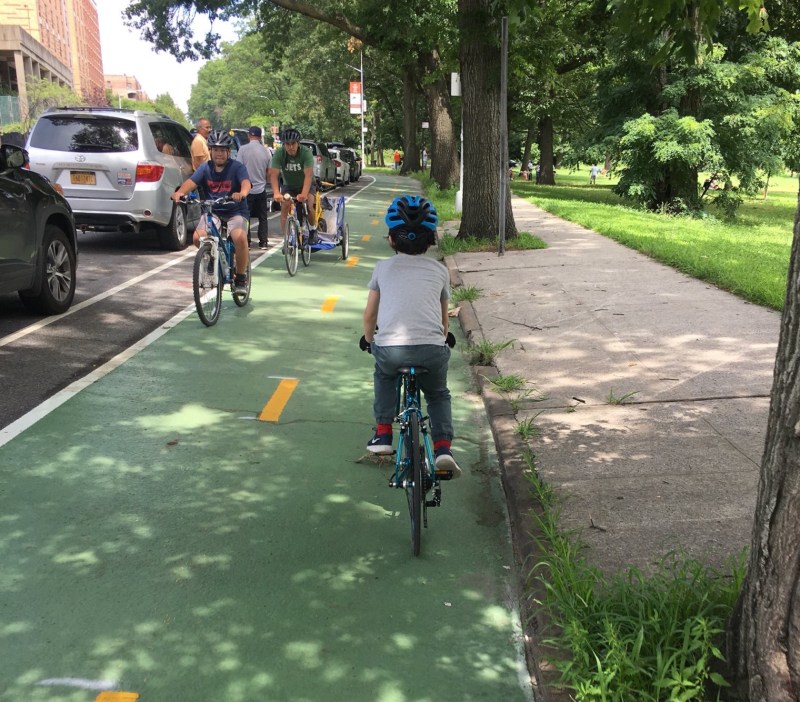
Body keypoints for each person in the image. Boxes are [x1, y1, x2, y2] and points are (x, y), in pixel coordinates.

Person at [360, 195, 462, 478]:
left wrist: (369, 340)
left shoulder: (382, 268)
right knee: (438, 394)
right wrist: (444, 337)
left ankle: (383, 434)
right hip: (432, 350)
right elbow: (443, 320)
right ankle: (443, 448)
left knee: (384, 375)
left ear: (391, 239)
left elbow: (370, 315)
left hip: (391, 350)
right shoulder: (440, 271)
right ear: (430, 241)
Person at [172, 130, 251, 294]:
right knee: (197, 238)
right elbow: (191, 182)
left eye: (222, 150)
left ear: (228, 152)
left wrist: (242, 193)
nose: (219, 154)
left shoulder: (237, 167)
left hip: (235, 211)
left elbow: (246, 183)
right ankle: (211, 259)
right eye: (215, 150)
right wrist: (180, 192)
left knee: (240, 238)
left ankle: (241, 278)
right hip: (213, 211)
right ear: (210, 151)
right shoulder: (205, 168)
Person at [268, 128, 318, 242]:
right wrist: (276, 192)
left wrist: (304, 194)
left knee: (309, 206)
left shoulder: (306, 153)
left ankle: (313, 230)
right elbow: (274, 175)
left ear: (298, 143)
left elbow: (308, 175)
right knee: (284, 207)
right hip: (289, 185)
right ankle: (287, 239)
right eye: (287, 144)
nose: (291, 147)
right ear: (284, 144)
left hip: (306, 184)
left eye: (293, 143)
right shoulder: (279, 154)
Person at [236, 126, 272, 249]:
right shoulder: (266, 151)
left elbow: (238, 168)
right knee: (263, 217)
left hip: (246, 189)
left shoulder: (242, 150)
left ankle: (247, 241)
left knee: (246, 216)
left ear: (249, 136)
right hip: (261, 188)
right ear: (260, 136)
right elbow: (269, 172)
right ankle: (263, 241)